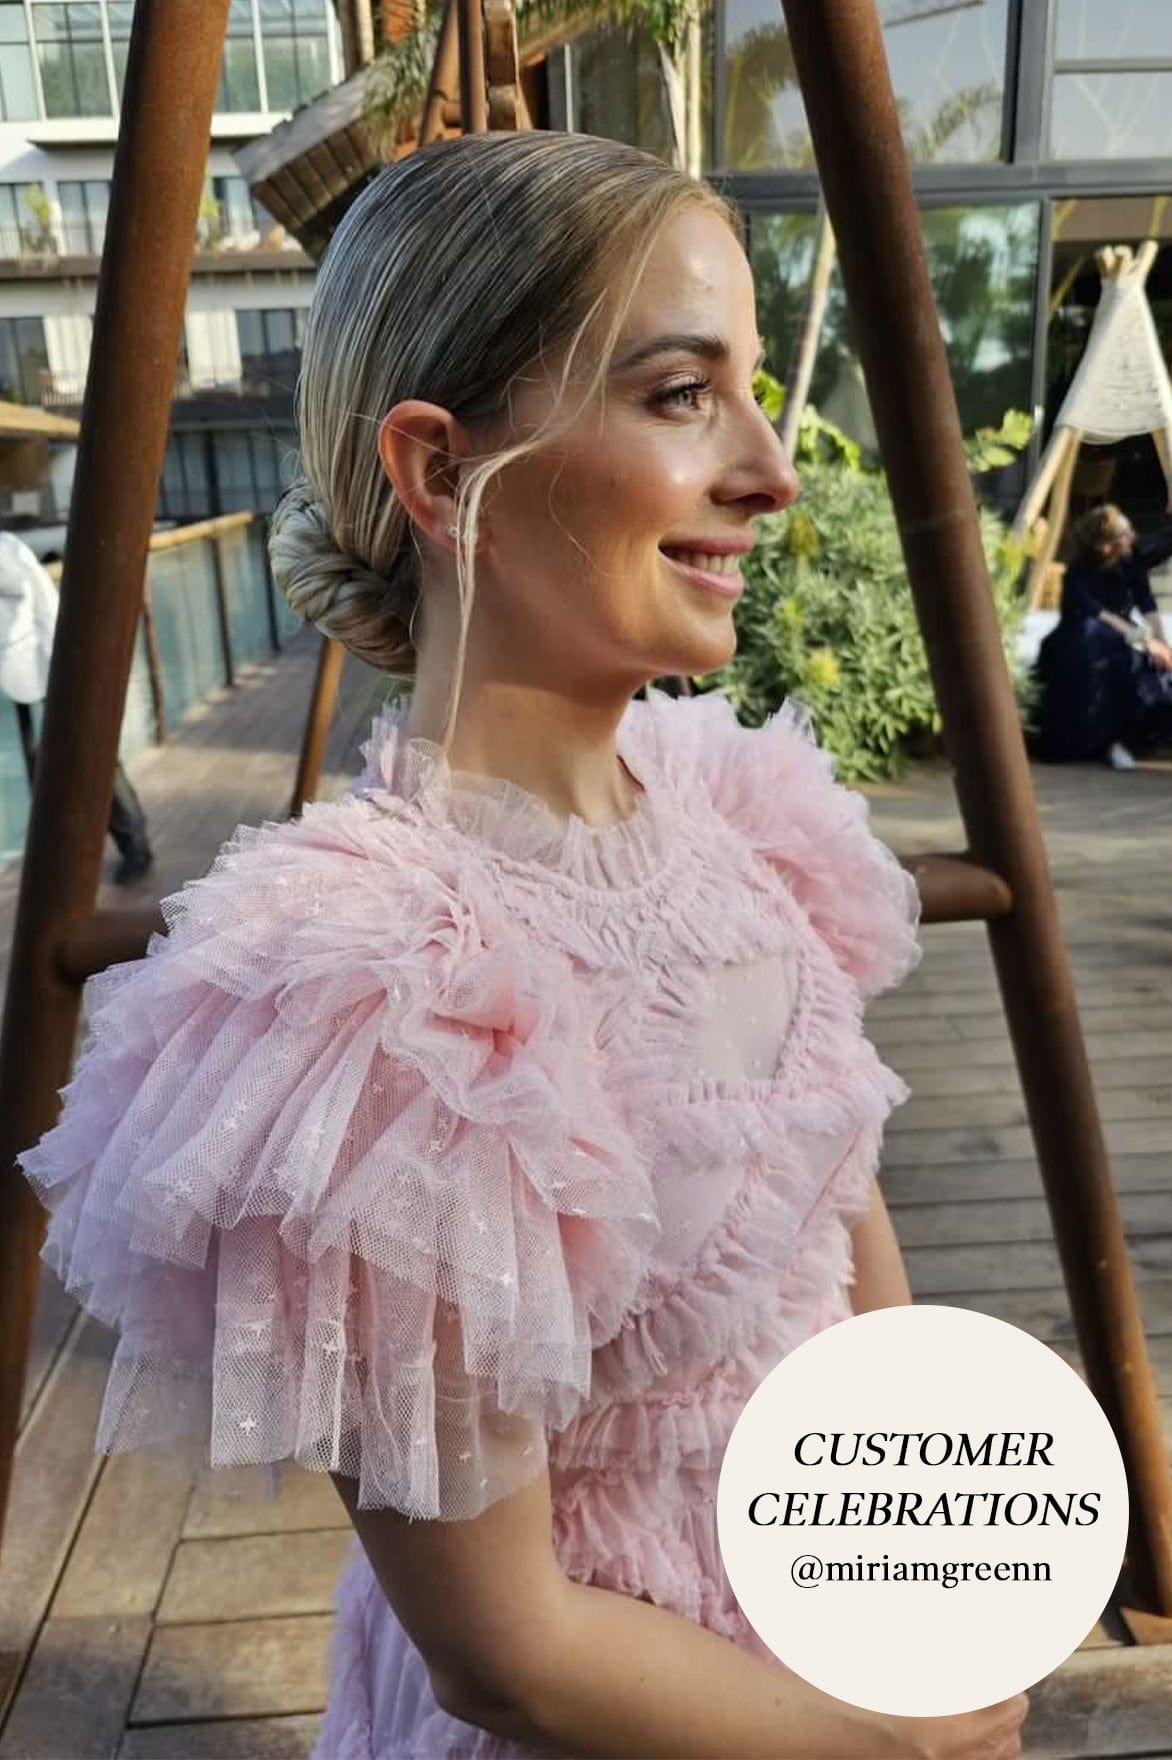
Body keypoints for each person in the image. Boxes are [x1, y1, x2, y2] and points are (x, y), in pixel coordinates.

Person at [16, 134, 1030, 1760]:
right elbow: (506, 1652)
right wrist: (891, 1741)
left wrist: (940, 1606)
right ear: (438, 472)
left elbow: (855, 1280)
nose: (771, 471)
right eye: (681, 395)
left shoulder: (744, 823)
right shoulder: (380, 999)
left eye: (751, 391)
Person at [0, 529, 154, 881]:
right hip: (33, 671)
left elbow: (16, 589)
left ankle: (135, 845)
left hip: (51, 665)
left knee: (95, 758)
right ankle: (66, 855)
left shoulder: (6, 549)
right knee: (53, 763)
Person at [1032, 502, 1172, 769]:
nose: (1133, 537)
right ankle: (1108, 743)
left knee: (1154, 667)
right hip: (1082, 634)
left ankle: (1133, 740)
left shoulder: (1130, 564)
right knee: (1102, 649)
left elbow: (1147, 604)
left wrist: (1163, 644)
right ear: (1106, 544)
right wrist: (1146, 642)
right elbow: (1099, 614)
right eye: (1125, 534)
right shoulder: (1077, 571)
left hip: (1123, 631)